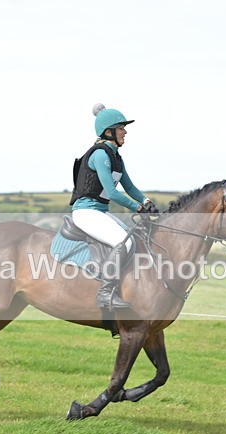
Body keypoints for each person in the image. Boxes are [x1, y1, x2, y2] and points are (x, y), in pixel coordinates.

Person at [69, 103, 159, 310]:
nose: (125, 131)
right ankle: (105, 293)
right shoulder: (100, 155)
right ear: (108, 132)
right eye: (121, 128)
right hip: (86, 213)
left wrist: (145, 201)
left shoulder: (116, 158)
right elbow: (112, 192)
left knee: (134, 239)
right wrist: (136, 208)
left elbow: (129, 186)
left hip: (100, 212)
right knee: (124, 243)